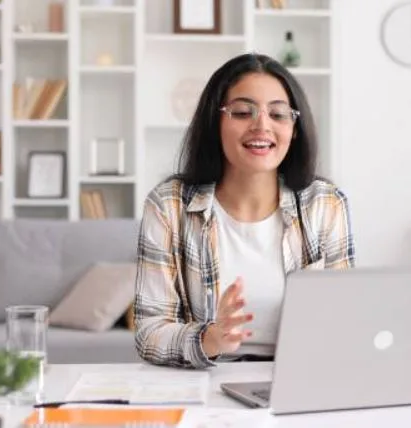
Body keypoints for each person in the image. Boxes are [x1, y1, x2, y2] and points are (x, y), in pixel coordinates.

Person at [133, 53, 356, 369]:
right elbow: (149, 332)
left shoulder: (325, 204)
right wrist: (210, 338)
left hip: (298, 378)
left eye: (278, 114)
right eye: (242, 112)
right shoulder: (169, 206)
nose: (261, 125)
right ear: (215, 122)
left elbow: (344, 321)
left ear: (294, 129)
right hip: (205, 381)